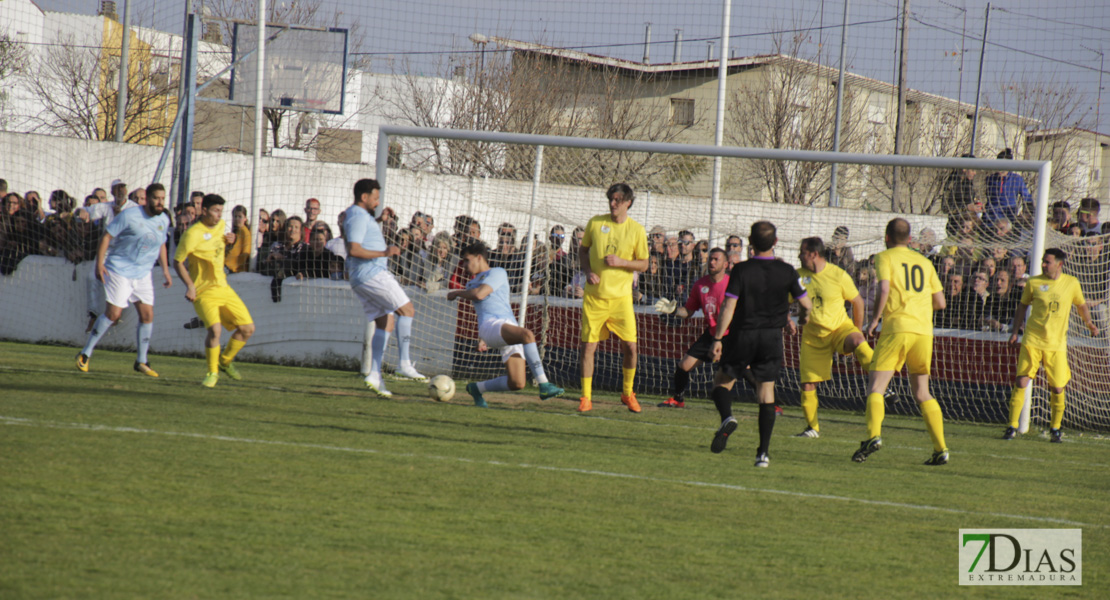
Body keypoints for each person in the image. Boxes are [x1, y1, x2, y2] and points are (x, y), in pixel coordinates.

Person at [707, 221, 810, 468]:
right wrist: (801, 318)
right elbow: (806, 304)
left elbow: (728, 306)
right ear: (775, 242)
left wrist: (718, 338)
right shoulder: (787, 271)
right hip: (771, 338)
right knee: (766, 394)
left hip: (743, 335)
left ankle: (728, 417)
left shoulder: (741, 270)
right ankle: (762, 454)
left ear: (750, 244)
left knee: (722, 382)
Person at [852, 218, 949, 466]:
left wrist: (875, 320)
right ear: (909, 238)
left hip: (897, 329)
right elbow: (940, 303)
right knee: (922, 392)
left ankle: (873, 436)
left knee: (876, 387)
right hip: (923, 332)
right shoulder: (926, 262)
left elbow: (884, 289)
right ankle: (941, 449)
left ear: (887, 237)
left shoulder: (885, 257)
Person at [447, 242, 565, 407]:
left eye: (467, 260)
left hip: (505, 325)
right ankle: (544, 384)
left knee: (517, 383)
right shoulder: (470, 284)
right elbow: (482, 308)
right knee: (527, 335)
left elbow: (481, 295)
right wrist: (483, 337)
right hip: (491, 326)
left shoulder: (497, 272)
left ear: (479, 257)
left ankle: (476, 388)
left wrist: (457, 292)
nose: (464, 265)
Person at [76, 183, 173, 376]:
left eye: (162, 199)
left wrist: (166, 271)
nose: (160, 202)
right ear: (147, 199)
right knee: (113, 314)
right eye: (156, 198)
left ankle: (142, 361)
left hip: (143, 274)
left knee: (147, 315)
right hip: (119, 270)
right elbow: (106, 237)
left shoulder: (164, 219)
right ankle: (85, 353)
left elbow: (161, 244)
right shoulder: (129, 216)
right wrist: (99, 265)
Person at [1004, 248, 1098, 442]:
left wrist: (1089, 323)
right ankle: (1012, 426)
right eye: (1043, 261)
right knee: (1022, 381)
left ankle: (1055, 428)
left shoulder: (1071, 283)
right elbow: (1023, 305)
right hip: (1033, 340)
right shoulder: (1034, 282)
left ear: (1059, 264)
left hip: (1056, 344)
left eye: (1047, 262)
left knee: (1057, 387)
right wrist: (1015, 332)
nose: (1043, 265)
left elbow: (1081, 305)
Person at [344, 179, 426, 397]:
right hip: (372, 274)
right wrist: (385, 253)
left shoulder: (358, 216)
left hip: (363, 277)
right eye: (375, 198)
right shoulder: (358, 216)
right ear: (364, 197)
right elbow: (354, 249)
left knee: (386, 321)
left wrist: (380, 220)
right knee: (407, 310)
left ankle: (374, 374)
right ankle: (404, 364)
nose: (378, 202)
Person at [577, 183, 649, 413]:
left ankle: (627, 393)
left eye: (618, 199)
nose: (613, 203)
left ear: (628, 202)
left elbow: (645, 264)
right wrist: (588, 272)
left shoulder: (636, 230)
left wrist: (622, 262)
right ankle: (586, 397)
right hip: (595, 299)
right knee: (589, 347)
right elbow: (582, 251)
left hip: (621, 300)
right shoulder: (596, 223)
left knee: (630, 346)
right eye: (611, 199)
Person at [793, 237, 874, 437]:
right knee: (808, 383)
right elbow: (779, 301)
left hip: (839, 329)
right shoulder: (796, 276)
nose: (798, 256)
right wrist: (786, 318)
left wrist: (857, 329)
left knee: (857, 341)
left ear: (813, 254)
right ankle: (812, 428)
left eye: (802, 252)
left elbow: (858, 302)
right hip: (813, 337)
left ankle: (882, 379)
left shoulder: (838, 274)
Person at [173, 194, 256, 388]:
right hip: (203, 291)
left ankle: (225, 361)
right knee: (215, 330)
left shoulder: (221, 226)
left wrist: (231, 240)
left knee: (247, 329)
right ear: (204, 210)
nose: (219, 215)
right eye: (215, 211)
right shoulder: (192, 234)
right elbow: (177, 262)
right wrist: (190, 286)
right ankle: (212, 373)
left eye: (221, 211)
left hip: (223, 287)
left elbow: (220, 250)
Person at [653, 247, 730, 408]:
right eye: (711, 259)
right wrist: (673, 310)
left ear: (726, 264)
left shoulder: (732, 285)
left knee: (745, 369)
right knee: (684, 365)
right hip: (711, 334)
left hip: (731, 335)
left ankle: (770, 404)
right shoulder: (700, 284)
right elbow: (688, 311)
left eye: (716, 259)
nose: (712, 262)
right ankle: (678, 399)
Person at [983, 148, 1032, 225]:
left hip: (1008, 221)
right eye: (998, 166)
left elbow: (1027, 198)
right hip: (990, 220)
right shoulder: (990, 179)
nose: (999, 170)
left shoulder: (1017, 180)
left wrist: (1027, 213)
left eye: (1002, 167)